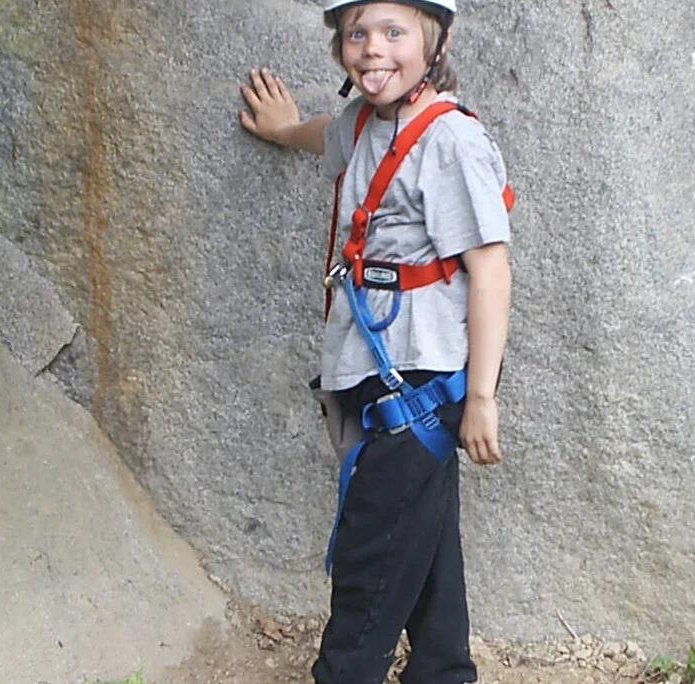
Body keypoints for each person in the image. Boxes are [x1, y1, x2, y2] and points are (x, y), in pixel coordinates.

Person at [237, 1, 512, 682]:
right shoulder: (362, 122)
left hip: (420, 389)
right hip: (382, 376)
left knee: (370, 564)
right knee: (429, 560)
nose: (372, 48)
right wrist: (284, 129)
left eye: (394, 32)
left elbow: (490, 270)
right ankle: (444, 673)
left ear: (434, 41)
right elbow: (327, 136)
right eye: (357, 33)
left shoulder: (450, 141)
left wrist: (482, 398)